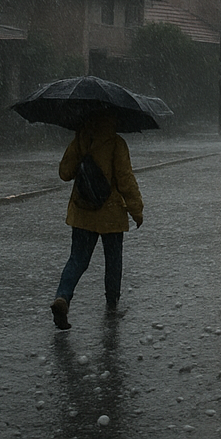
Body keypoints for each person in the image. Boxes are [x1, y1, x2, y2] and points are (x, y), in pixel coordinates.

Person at [50, 109, 144, 329]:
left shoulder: (81, 139)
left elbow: (64, 173)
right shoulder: (116, 143)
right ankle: (112, 306)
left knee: (77, 259)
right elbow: (125, 180)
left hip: (82, 211)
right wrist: (136, 210)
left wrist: (80, 148)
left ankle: (62, 297)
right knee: (113, 261)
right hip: (111, 214)